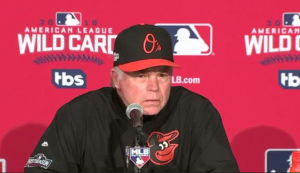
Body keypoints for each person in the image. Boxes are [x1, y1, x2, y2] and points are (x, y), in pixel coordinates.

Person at [24, 24, 239, 172]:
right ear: (116, 79)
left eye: (163, 75)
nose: (154, 87)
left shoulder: (197, 112)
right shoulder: (80, 115)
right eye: (141, 76)